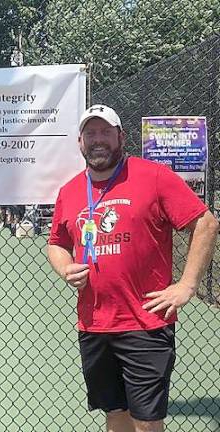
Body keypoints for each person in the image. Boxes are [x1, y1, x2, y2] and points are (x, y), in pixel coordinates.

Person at [47, 104, 218, 432]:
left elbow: (205, 224)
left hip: (145, 322)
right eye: (91, 134)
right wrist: (65, 267)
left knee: (146, 422)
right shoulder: (69, 192)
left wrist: (187, 285)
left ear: (121, 137)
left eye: (106, 132)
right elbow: (56, 242)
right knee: (115, 414)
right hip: (94, 324)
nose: (99, 140)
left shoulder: (152, 176)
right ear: (80, 142)